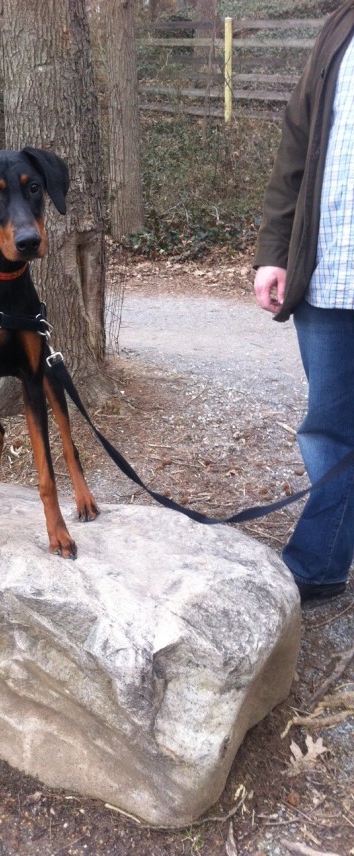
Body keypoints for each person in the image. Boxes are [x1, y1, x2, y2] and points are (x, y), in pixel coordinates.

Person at [253, 2, 354, 604]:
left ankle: (314, 563)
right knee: (328, 430)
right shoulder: (340, 27)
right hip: (330, 275)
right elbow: (296, 147)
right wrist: (275, 251)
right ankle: (319, 567)